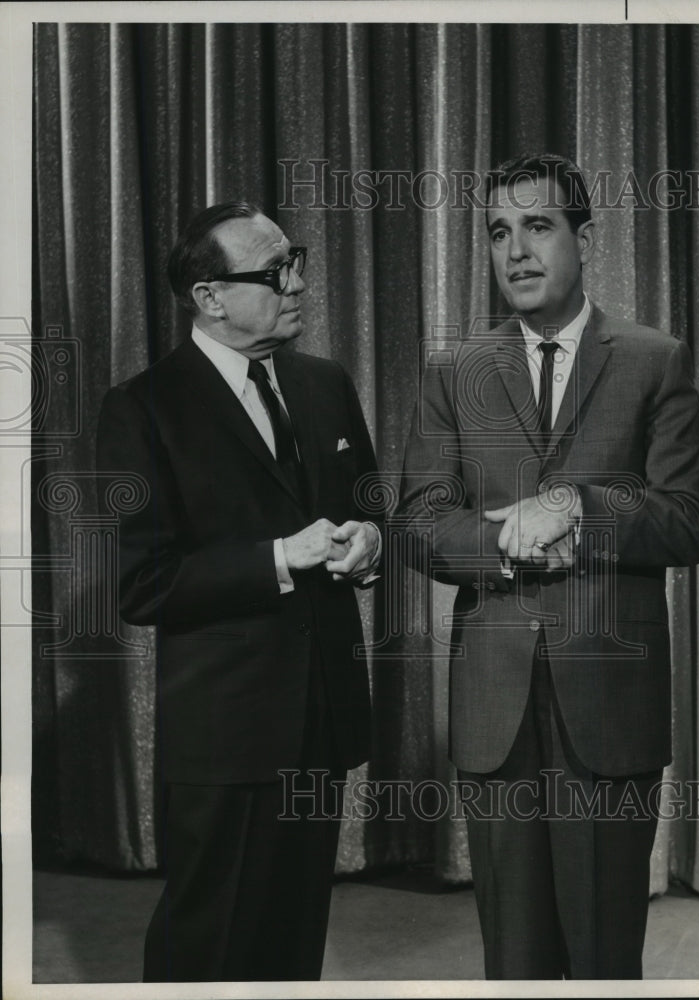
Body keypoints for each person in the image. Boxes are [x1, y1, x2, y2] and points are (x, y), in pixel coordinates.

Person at [397, 153, 699, 979]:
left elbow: (689, 520)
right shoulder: (454, 370)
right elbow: (418, 523)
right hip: (493, 705)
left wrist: (576, 506)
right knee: (514, 961)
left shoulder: (653, 358)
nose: (516, 251)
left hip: (609, 705)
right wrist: (504, 539)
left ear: (584, 238)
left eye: (537, 227)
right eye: (499, 233)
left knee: (605, 957)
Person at [96, 202, 381, 982]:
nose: (297, 286)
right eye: (275, 271)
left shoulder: (325, 383)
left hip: (320, 722)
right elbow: (142, 584)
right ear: (209, 296)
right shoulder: (142, 408)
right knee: (207, 949)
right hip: (225, 740)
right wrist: (281, 558)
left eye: (298, 263)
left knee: (291, 951)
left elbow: (367, 507)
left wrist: (368, 542)